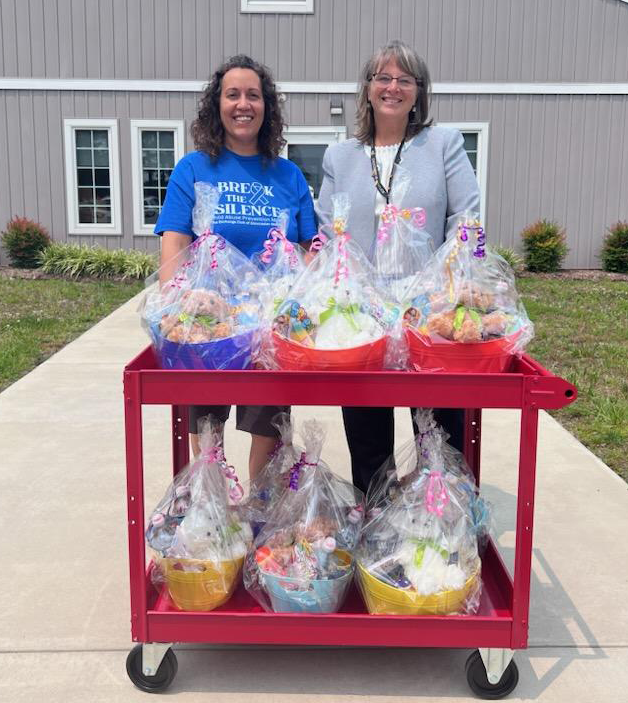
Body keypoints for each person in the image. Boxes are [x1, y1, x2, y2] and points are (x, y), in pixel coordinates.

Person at [317, 40, 481, 492]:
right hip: (363, 316)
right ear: (367, 89)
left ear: (418, 92)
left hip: (429, 312)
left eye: (404, 79)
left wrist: (448, 288)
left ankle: (443, 520)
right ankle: (378, 529)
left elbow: (466, 220)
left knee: (440, 430)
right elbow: (332, 233)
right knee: (367, 434)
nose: (393, 87)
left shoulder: (443, 144)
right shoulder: (340, 156)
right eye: (383, 78)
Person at [155, 54, 318, 478]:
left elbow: (309, 252)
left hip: (269, 328)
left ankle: (258, 510)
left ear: (267, 108)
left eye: (253, 95)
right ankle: (216, 512)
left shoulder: (288, 175)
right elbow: (174, 245)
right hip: (211, 325)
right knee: (207, 427)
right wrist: (175, 312)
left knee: (269, 427)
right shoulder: (193, 168)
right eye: (232, 95)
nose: (243, 104)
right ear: (217, 105)